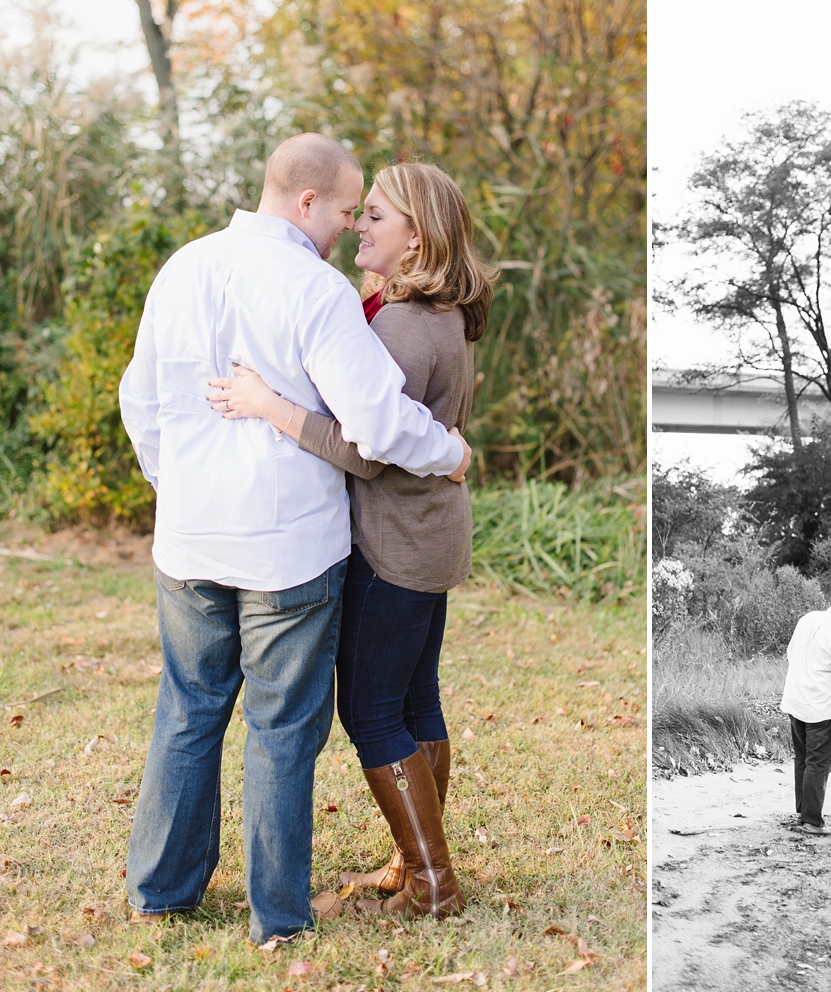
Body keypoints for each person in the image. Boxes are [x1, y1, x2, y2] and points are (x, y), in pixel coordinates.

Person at [118, 134, 471, 945]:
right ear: (308, 202)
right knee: (281, 730)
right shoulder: (316, 290)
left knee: (187, 710)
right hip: (288, 552)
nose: (352, 226)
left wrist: (176, 487)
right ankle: (277, 918)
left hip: (192, 539)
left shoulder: (185, 265)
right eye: (350, 209)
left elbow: (140, 399)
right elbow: (380, 426)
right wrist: (450, 451)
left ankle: (161, 893)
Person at [206, 162, 496, 921]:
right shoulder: (441, 313)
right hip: (429, 534)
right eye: (359, 212)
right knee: (413, 699)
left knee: (371, 712)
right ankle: (414, 862)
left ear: (416, 236)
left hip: (394, 542)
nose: (358, 226)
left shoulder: (401, 323)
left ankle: (432, 884)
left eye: (375, 215)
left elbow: (369, 449)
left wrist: (268, 404)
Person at [778, 589, 831, 835]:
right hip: (821, 708)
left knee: (803, 758)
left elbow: (790, 653)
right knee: (820, 763)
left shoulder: (808, 618)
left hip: (795, 700)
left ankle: (802, 811)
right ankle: (812, 821)